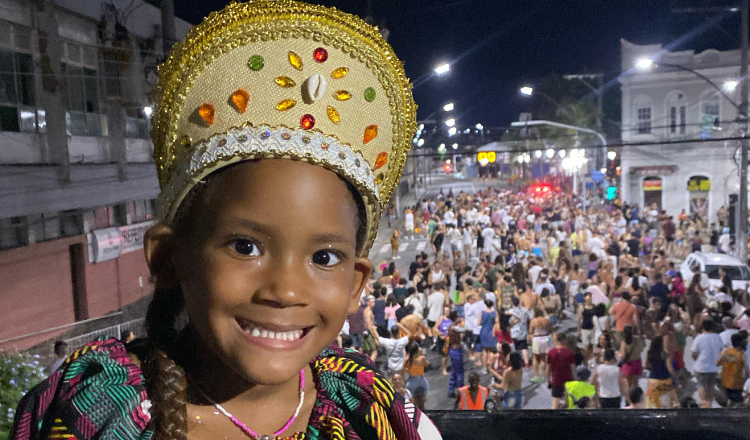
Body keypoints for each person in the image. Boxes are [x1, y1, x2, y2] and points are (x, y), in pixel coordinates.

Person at [12, 4, 448, 439]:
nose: (285, 291)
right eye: (246, 246)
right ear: (168, 259)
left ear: (355, 284)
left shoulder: (373, 413)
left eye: (324, 256)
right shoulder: (95, 412)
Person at [692, 319, 724, 407]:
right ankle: (709, 404)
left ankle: (703, 404)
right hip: (713, 367)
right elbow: (721, 350)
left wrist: (697, 359)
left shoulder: (699, 338)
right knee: (710, 387)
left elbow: (694, 353)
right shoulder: (717, 337)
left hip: (701, 366)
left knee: (702, 385)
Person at [716, 331, 750, 406]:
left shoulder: (726, 352)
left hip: (725, 382)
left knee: (730, 399)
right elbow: (747, 372)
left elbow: (717, 363)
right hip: (738, 383)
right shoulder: (742, 355)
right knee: (738, 403)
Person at [645, 336, 677, 408]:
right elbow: (670, 369)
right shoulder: (665, 354)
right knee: (665, 406)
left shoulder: (650, 353)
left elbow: (647, 366)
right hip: (665, 380)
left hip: (653, 381)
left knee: (652, 405)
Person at [547, 332, 576, 410]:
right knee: (568, 401)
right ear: (564, 340)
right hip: (568, 379)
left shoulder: (551, 352)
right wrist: (575, 378)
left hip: (556, 379)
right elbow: (572, 367)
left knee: (555, 399)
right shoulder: (569, 352)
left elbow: (549, 368)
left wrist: (548, 379)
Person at [618, 325, 644, 402]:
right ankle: (636, 399)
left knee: (627, 384)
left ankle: (628, 401)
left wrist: (617, 353)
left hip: (628, 364)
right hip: (637, 362)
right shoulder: (637, 340)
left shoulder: (624, 343)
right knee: (635, 383)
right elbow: (642, 349)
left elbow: (622, 356)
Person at [528, 308, 552, 384]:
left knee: (535, 357)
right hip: (545, 338)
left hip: (537, 339)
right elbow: (550, 329)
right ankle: (543, 375)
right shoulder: (547, 320)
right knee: (543, 357)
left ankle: (536, 376)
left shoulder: (533, 321)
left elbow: (530, 331)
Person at [447, 312, 466, 397]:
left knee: (455, 370)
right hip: (456, 351)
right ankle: (461, 389)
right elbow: (465, 329)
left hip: (453, 350)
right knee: (459, 371)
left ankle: (451, 389)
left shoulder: (451, 326)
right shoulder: (454, 328)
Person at [508, 296, 531, 368]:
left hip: (514, 332)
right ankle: (527, 363)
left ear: (512, 303)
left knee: (515, 349)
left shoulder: (511, 312)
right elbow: (528, 319)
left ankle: (518, 363)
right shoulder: (524, 310)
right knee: (524, 348)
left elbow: (509, 322)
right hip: (523, 331)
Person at [478, 300, 499, 373]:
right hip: (491, 332)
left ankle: (484, 368)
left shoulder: (482, 312)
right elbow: (497, 322)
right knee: (492, 350)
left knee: (485, 351)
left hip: (484, 331)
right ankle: (491, 366)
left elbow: (479, 323)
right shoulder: (495, 313)